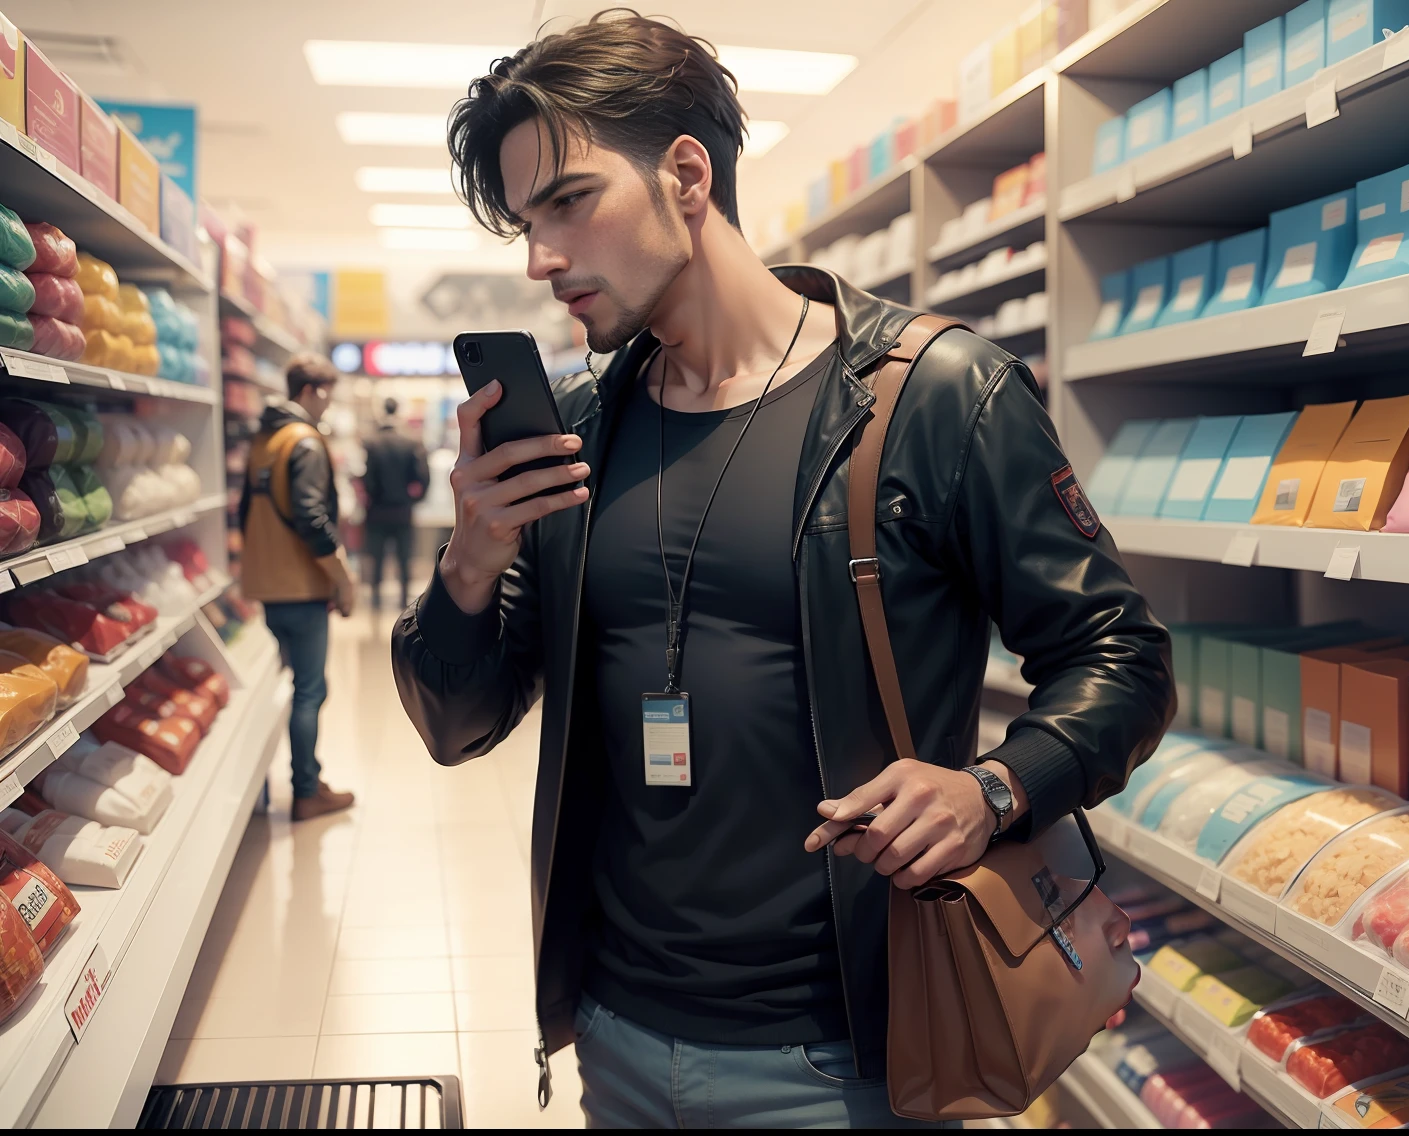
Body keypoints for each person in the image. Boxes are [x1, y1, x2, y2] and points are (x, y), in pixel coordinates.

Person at [392, 9, 1172, 1129]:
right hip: (612, 1031)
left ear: (686, 175)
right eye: (524, 221)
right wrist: (470, 561)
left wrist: (994, 786)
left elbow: (1120, 654)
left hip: (845, 1052)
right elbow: (457, 722)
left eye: (567, 201)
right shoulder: (574, 434)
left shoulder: (937, 396)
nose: (540, 258)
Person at [241, 354, 358, 822]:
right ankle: (306, 790)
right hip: (303, 584)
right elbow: (312, 519)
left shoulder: (263, 441)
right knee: (310, 690)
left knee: (287, 687)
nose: (330, 404)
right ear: (311, 391)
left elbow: (248, 513)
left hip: (267, 584)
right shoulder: (306, 441)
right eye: (328, 393)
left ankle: (287, 784)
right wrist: (343, 580)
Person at [360, 397, 430, 607]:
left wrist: (371, 497)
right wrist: (414, 499)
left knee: (377, 557)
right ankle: (403, 600)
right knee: (404, 557)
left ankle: (375, 599)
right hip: (402, 510)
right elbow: (423, 477)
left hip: (377, 510)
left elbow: (367, 478)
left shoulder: (372, 443)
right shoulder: (410, 443)